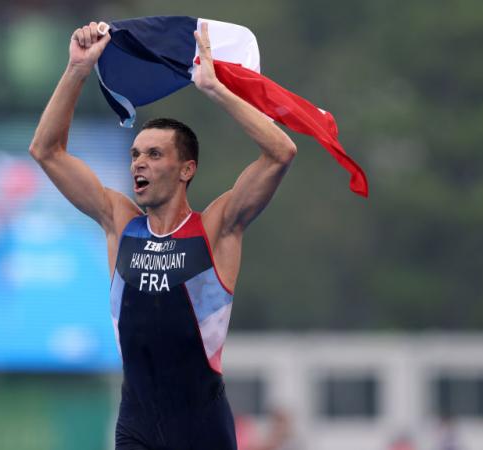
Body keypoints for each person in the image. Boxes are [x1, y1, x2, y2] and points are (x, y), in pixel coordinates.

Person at [29, 21, 297, 450]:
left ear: (187, 169)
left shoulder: (217, 227)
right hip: (137, 423)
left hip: (201, 427)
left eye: (154, 154)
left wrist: (214, 89)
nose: (139, 163)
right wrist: (77, 69)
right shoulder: (120, 222)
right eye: (136, 154)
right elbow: (46, 151)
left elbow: (281, 153)